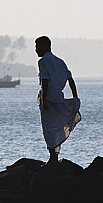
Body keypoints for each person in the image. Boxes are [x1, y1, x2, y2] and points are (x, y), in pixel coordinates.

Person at [35, 36, 81, 165]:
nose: (36, 50)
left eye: (37, 47)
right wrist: (75, 97)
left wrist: (43, 101)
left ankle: (53, 158)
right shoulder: (60, 61)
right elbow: (70, 80)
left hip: (49, 99)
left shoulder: (43, 61)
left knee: (49, 129)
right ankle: (54, 156)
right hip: (58, 98)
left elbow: (45, 82)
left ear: (45, 46)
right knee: (56, 128)